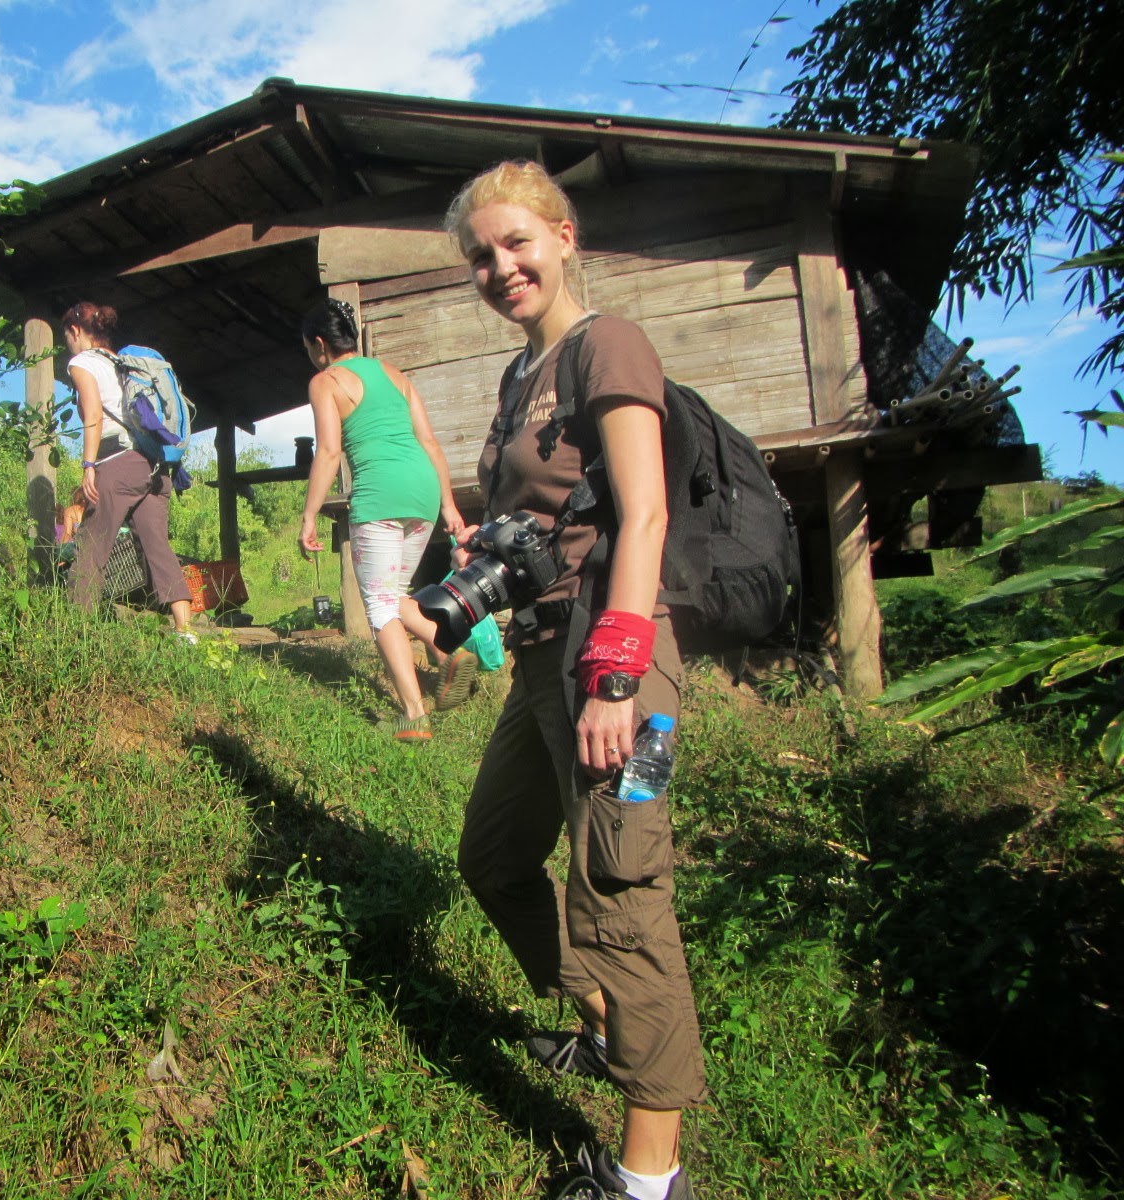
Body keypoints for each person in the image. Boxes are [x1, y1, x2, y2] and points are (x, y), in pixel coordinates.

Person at [447, 161, 705, 1200]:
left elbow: (644, 514)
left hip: (616, 663)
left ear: (563, 236)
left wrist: (617, 680)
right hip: (542, 657)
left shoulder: (608, 343)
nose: (500, 266)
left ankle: (648, 1178)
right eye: (480, 255)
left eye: (516, 242)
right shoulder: (522, 376)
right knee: (494, 859)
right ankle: (605, 1025)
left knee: (624, 892)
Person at [297, 299, 476, 741]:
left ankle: (413, 714)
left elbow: (329, 451)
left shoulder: (325, 381)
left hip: (380, 493)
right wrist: (449, 506)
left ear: (319, 344)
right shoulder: (395, 374)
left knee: (379, 605)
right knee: (393, 594)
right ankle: (447, 651)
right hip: (422, 491)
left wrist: (309, 514)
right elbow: (429, 441)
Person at [62, 301, 195, 639]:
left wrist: (88, 465)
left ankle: (77, 632)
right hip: (154, 466)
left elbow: (93, 414)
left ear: (75, 331)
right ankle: (186, 631)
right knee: (158, 548)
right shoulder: (122, 363)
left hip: (118, 464)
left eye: (67, 337)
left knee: (91, 547)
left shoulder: (83, 363)